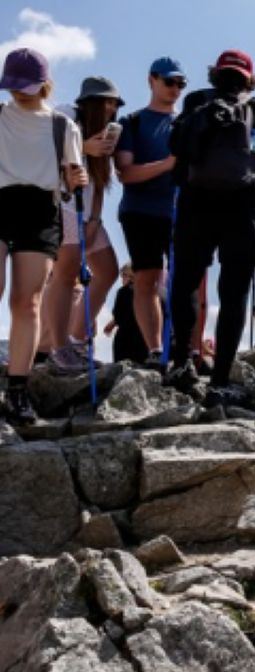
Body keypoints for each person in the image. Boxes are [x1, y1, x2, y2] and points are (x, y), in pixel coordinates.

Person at [165, 50, 255, 406]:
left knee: (186, 281)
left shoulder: (195, 100)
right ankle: (221, 380)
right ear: (248, 77)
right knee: (235, 290)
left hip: (197, 199)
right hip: (244, 203)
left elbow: (178, 149)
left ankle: (182, 363)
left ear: (216, 74)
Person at [0, 48, 87, 423]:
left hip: (40, 210)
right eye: (13, 85)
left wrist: (75, 178)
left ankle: (17, 390)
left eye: (26, 86)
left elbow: (72, 176)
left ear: (44, 84)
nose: (19, 92)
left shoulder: (62, 126)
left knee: (27, 302)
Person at [40, 76, 123, 375]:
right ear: (90, 102)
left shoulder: (106, 134)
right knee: (65, 273)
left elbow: (100, 183)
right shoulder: (65, 116)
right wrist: (83, 148)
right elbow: (43, 156)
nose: (111, 109)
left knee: (108, 270)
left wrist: (96, 219)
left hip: (87, 213)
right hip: (62, 207)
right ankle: (58, 348)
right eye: (107, 102)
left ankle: (75, 339)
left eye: (115, 104)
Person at [114, 56, 186, 369]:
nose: (175, 88)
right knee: (145, 279)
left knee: (185, 282)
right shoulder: (132, 121)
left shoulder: (186, 123)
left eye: (180, 83)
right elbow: (125, 173)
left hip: (179, 211)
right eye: (169, 81)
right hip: (141, 211)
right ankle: (156, 351)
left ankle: (186, 351)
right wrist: (169, 164)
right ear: (151, 80)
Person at [105, 264, 150, 363]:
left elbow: (119, 314)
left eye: (123, 276)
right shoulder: (153, 292)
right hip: (147, 341)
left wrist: (115, 321)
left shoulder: (124, 292)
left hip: (126, 341)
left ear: (128, 275)